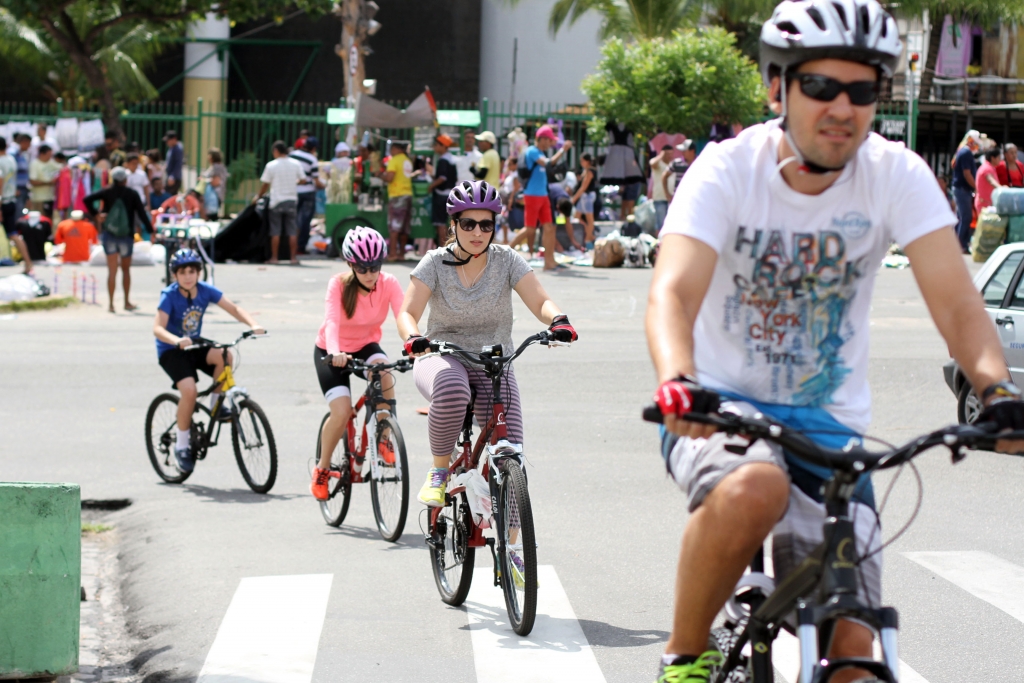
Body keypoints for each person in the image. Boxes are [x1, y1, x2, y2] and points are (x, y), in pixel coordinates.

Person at [646, 3, 1024, 683]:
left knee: (855, 649)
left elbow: (958, 301)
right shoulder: (727, 169)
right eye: (821, 87)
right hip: (718, 407)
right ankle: (685, 656)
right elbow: (672, 292)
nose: (842, 108)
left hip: (832, 433)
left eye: (863, 91)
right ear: (777, 88)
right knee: (755, 487)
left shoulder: (895, 174)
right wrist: (678, 378)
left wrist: (995, 387)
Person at [397, 180, 578, 509]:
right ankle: (438, 471)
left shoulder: (506, 260)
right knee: (452, 389)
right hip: (439, 355)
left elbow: (540, 301)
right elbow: (407, 312)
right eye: (468, 224)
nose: (477, 232)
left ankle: (511, 555)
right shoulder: (434, 262)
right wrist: (413, 338)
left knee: (512, 456)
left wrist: (558, 320)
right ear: (454, 225)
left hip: (493, 361)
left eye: (486, 224)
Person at [311, 227, 404, 500]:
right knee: (340, 413)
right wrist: (335, 351)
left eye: (375, 266)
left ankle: (384, 436)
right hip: (331, 350)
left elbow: (403, 317)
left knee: (385, 372)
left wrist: (415, 342)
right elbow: (332, 323)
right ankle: (322, 469)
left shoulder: (389, 283)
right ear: (351, 265)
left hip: (365, 347)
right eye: (363, 268)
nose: (370, 273)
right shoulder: (338, 284)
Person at [153, 249, 265, 473]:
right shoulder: (169, 295)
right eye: (183, 272)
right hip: (172, 350)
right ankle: (182, 446)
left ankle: (215, 404)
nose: (188, 276)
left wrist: (253, 325)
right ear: (175, 275)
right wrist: (176, 340)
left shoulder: (205, 291)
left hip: (194, 344)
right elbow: (157, 328)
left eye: (192, 271)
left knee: (226, 356)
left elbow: (234, 308)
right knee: (190, 391)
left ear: (199, 273)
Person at [84, 166, 153, 312]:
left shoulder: (106, 191)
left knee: (112, 271)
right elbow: (141, 213)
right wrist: (151, 230)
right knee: (126, 270)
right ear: (126, 180)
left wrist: (96, 214)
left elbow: (87, 199)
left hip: (109, 235)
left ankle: (110, 304)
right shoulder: (132, 193)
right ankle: (127, 302)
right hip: (126, 235)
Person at [509, 125, 572, 271]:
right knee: (530, 229)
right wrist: (563, 150)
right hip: (532, 195)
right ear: (542, 139)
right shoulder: (532, 151)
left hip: (543, 195)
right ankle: (502, 253)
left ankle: (549, 262)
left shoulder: (540, 152)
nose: (551, 143)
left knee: (549, 227)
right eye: (549, 140)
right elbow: (548, 163)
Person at [255, 140, 305, 265]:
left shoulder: (271, 165)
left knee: (275, 231)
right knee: (292, 231)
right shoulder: (295, 164)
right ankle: (293, 258)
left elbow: (265, 184)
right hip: (291, 201)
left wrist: (258, 196)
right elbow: (303, 180)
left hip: (276, 201)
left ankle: (274, 258)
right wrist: (294, 183)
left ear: (276, 151)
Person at [382, 140, 414, 261]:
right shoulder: (407, 160)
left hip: (397, 195)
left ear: (395, 149)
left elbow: (390, 178)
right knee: (405, 227)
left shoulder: (394, 160)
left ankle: (392, 254)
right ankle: (401, 254)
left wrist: (380, 175)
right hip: (408, 194)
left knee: (394, 227)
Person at [290, 137, 321, 255]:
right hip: (308, 193)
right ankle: (300, 247)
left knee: (292, 220)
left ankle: (289, 246)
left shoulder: (292, 155)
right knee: (305, 221)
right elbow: (316, 181)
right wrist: (324, 185)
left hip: (293, 192)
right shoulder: (312, 159)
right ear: (313, 148)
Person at [952, 129, 980, 253]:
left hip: (960, 189)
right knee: (966, 217)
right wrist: (976, 187)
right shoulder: (966, 153)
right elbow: (967, 173)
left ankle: (957, 243)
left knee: (961, 217)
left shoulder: (961, 151)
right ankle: (960, 245)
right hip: (963, 189)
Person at [428, 134, 457, 248]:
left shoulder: (444, 160)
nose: (434, 147)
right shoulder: (450, 158)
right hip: (450, 194)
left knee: (440, 223)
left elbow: (442, 178)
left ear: (443, 146)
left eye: (436, 145)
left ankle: (443, 248)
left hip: (441, 196)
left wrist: (431, 186)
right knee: (450, 223)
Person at [28, 144, 61, 217]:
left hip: (50, 197)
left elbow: (62, 168)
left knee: (49, 220)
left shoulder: (51, 162)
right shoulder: (35, 164)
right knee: (41, 220)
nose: (50, 157)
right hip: (39, 199)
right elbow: (33, 181)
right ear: (42, 154)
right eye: (48, 155)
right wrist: (49, 182)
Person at [649, 145, 673, 233]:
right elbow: (652, 164)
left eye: (671, 154)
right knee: (660, 224)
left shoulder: (673, 164)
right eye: (667, 154)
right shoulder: (657, 163)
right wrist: (661, 155)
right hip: (659, 198)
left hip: (671, 198)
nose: (669, 156)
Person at [201, 148, 228, 221]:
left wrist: (204, 180)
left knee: (211, 217)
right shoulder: (217, 166)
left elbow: (216, 181)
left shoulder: (217, 167)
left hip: (214, 196)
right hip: (215, 196)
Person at [0, 137, 18, 238]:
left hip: (4, 201)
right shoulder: (11, 159)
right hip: (12, 198)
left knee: (12, 234)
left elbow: (0, 183)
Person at [975, 147, 1002, 214]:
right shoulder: (987, 168)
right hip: (984, 205)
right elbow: (991, 181)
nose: (1000, 160)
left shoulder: (989, 167)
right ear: (993, 158)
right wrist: (1002, 189)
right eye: (999, 157)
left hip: (986, 204)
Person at [13, 134, 31, 217]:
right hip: (17, 189)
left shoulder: (22, 154)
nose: (29, 146)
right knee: (18, 213)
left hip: (23, 188)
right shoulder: (13, 153)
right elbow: (11, 173)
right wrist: (14, 188)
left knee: (22, 213)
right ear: (24, 142)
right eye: (28, 144)